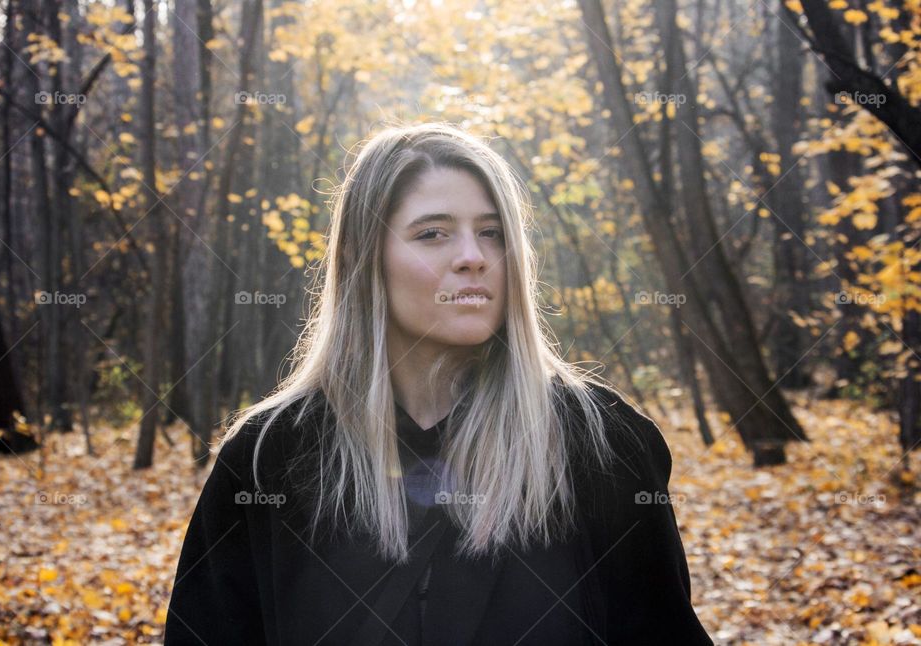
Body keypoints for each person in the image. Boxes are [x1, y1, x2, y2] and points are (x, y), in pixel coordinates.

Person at [164, 122, 713, 645]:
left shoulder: (600, 446)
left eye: (492, 233)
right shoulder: (271, 458)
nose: (473, 258)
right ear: (362, 259)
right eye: (433, 233)